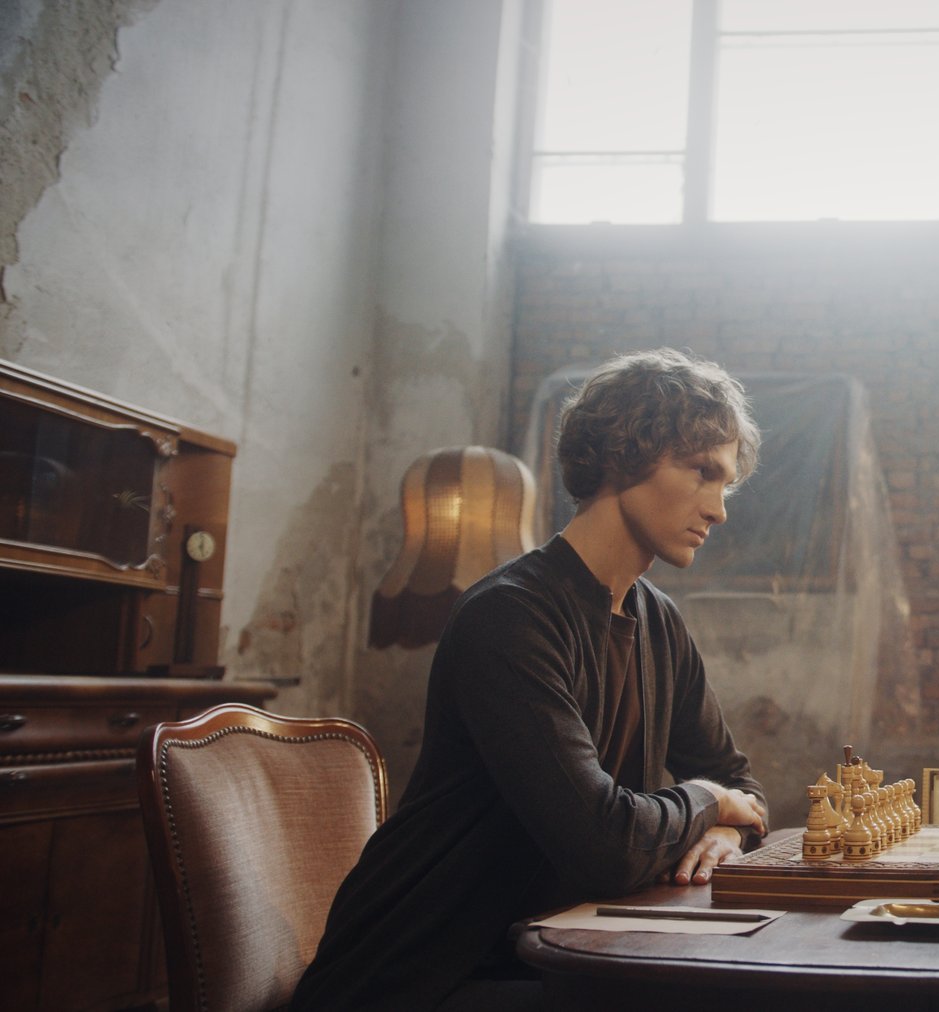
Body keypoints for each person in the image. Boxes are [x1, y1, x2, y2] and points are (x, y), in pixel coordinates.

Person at [293, 349, 770, 1012]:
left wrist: (726, 832)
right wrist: (705, 802)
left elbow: (741, 785)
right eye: (701, 472)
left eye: (724, 482)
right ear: (626, 455)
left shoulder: (658, 621)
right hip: (422, 972)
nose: (718, 508)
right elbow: (604, 845)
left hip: (558, 951)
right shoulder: (509, 615)